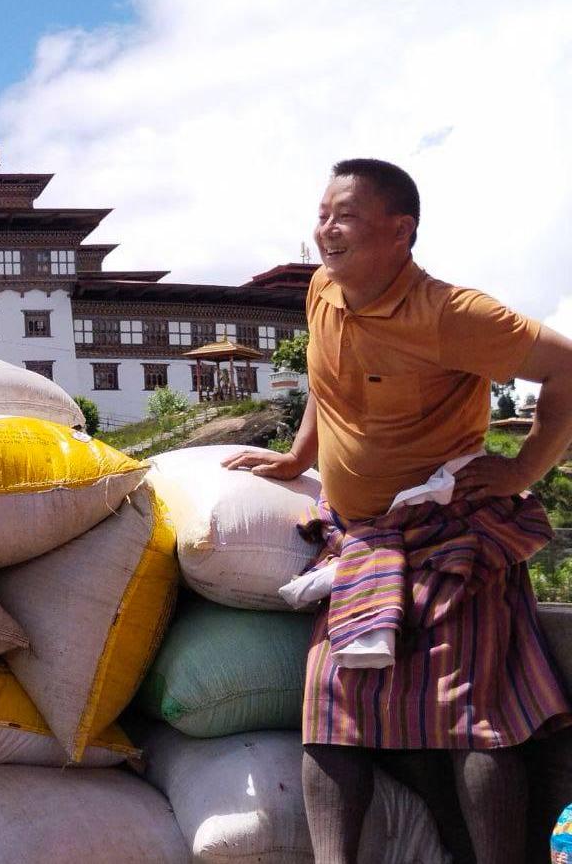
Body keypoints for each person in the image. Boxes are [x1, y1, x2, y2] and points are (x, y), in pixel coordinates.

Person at [224, 158, 572, 864]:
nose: (325, 229)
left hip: (450, 537)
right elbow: (328, 379)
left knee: (469, 718)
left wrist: (525, 468)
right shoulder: (324, 291)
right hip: (359, 542)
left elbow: (568, 367)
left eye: (344, 216)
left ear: (400, 231)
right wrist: (297, 459)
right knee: (330, 711)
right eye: (322, 213)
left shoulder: (452, 314)